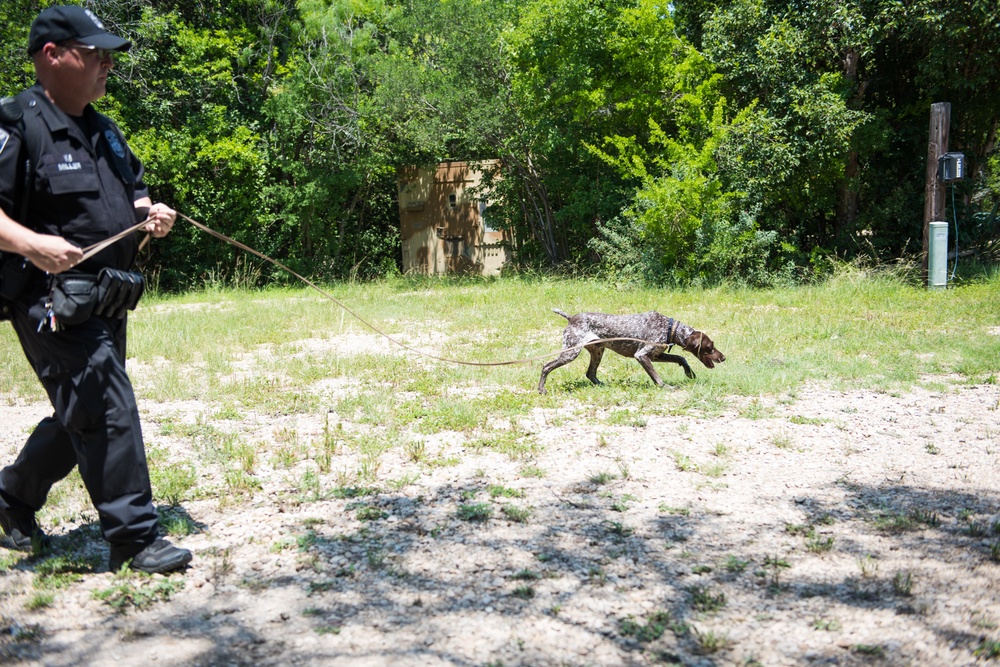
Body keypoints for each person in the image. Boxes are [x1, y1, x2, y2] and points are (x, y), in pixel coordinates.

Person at [0, 5, 191, 574]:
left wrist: (152, 215)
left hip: (109, 294)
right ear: (52, 56)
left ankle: (11, 501)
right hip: (49, 298)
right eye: (94, 53)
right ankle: (134, 539)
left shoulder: (105, 130)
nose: (106, 64)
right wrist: (33, 243)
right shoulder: (16, 123)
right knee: (107, 404)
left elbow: (131, 194)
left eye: (108, 53)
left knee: (77, 411)